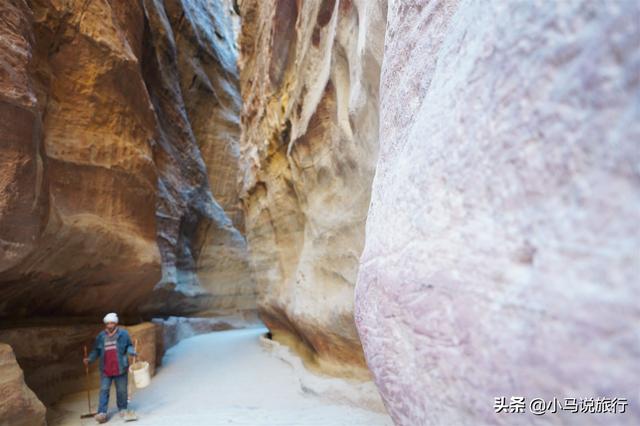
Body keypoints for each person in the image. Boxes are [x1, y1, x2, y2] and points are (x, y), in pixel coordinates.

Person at [84, 312, 137, 423]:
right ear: (106, 324)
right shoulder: (101, 336)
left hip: (120, 368)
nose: (110, 325)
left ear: (116, 323)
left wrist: (132, 352)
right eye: (108, 323)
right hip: (106, 369)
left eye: (112, 323)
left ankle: (123, 409)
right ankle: (102, 412)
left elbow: (129, 346)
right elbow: (96, 351)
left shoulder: (124, 334)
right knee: (104, 390)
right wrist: (89, 359)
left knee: (122, 390)